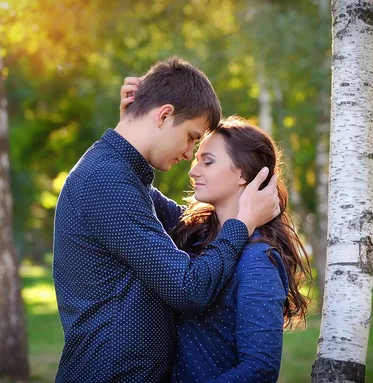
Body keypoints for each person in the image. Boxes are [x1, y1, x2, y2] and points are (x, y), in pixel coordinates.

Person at [53, 57, 280, 383]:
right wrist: (243, 222)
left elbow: (182, 222)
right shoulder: (106, 182)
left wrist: (131, 134)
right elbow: (188, 290)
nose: (189, 155)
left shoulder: (118, 175)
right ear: (163, 115)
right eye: (191, 137)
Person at [122, 87, 312, 382]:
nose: (192, 170)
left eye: (207, 161)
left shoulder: (259, 260)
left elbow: (259, 370)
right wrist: (133, 124)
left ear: (244, 174)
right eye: (196, 158)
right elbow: (130, 186)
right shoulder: (194, 232)